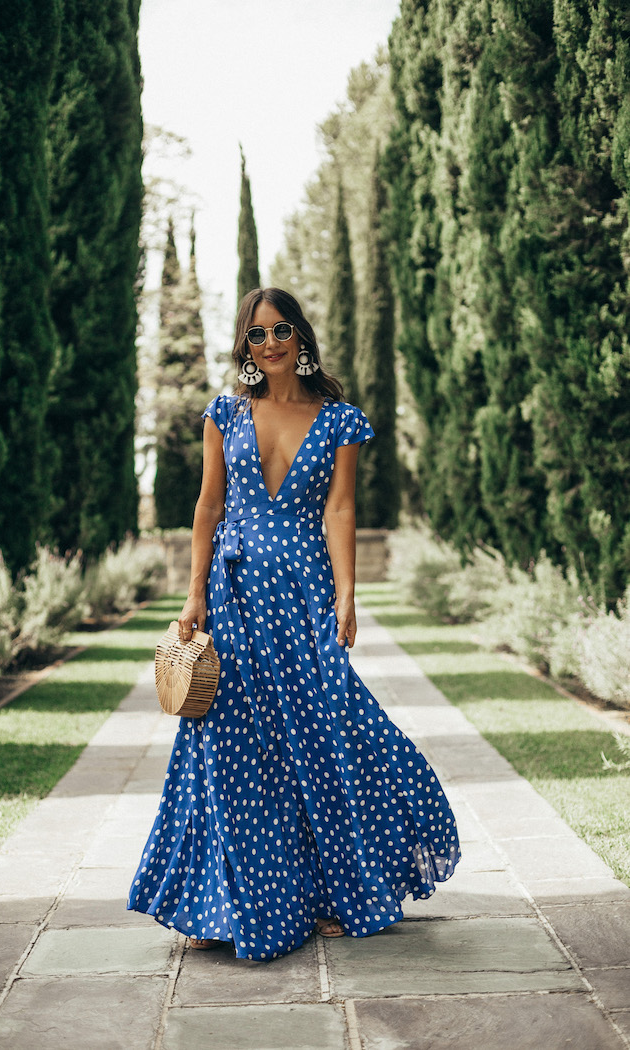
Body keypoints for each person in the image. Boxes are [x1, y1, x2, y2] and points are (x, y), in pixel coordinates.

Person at [127, 287, 461, 959]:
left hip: (305, 595)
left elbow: (340, 510)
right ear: (245, 346)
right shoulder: (225, 413)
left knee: (325, 730)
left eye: (281, 330)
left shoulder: (338, 420)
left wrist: (346, 593)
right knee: (228, 746)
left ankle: (345, 890)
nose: (271, 343)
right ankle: (219, 901)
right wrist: (194, 596)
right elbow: (208, 506)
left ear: (300, 336)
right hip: (235, 593)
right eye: (257, 334)